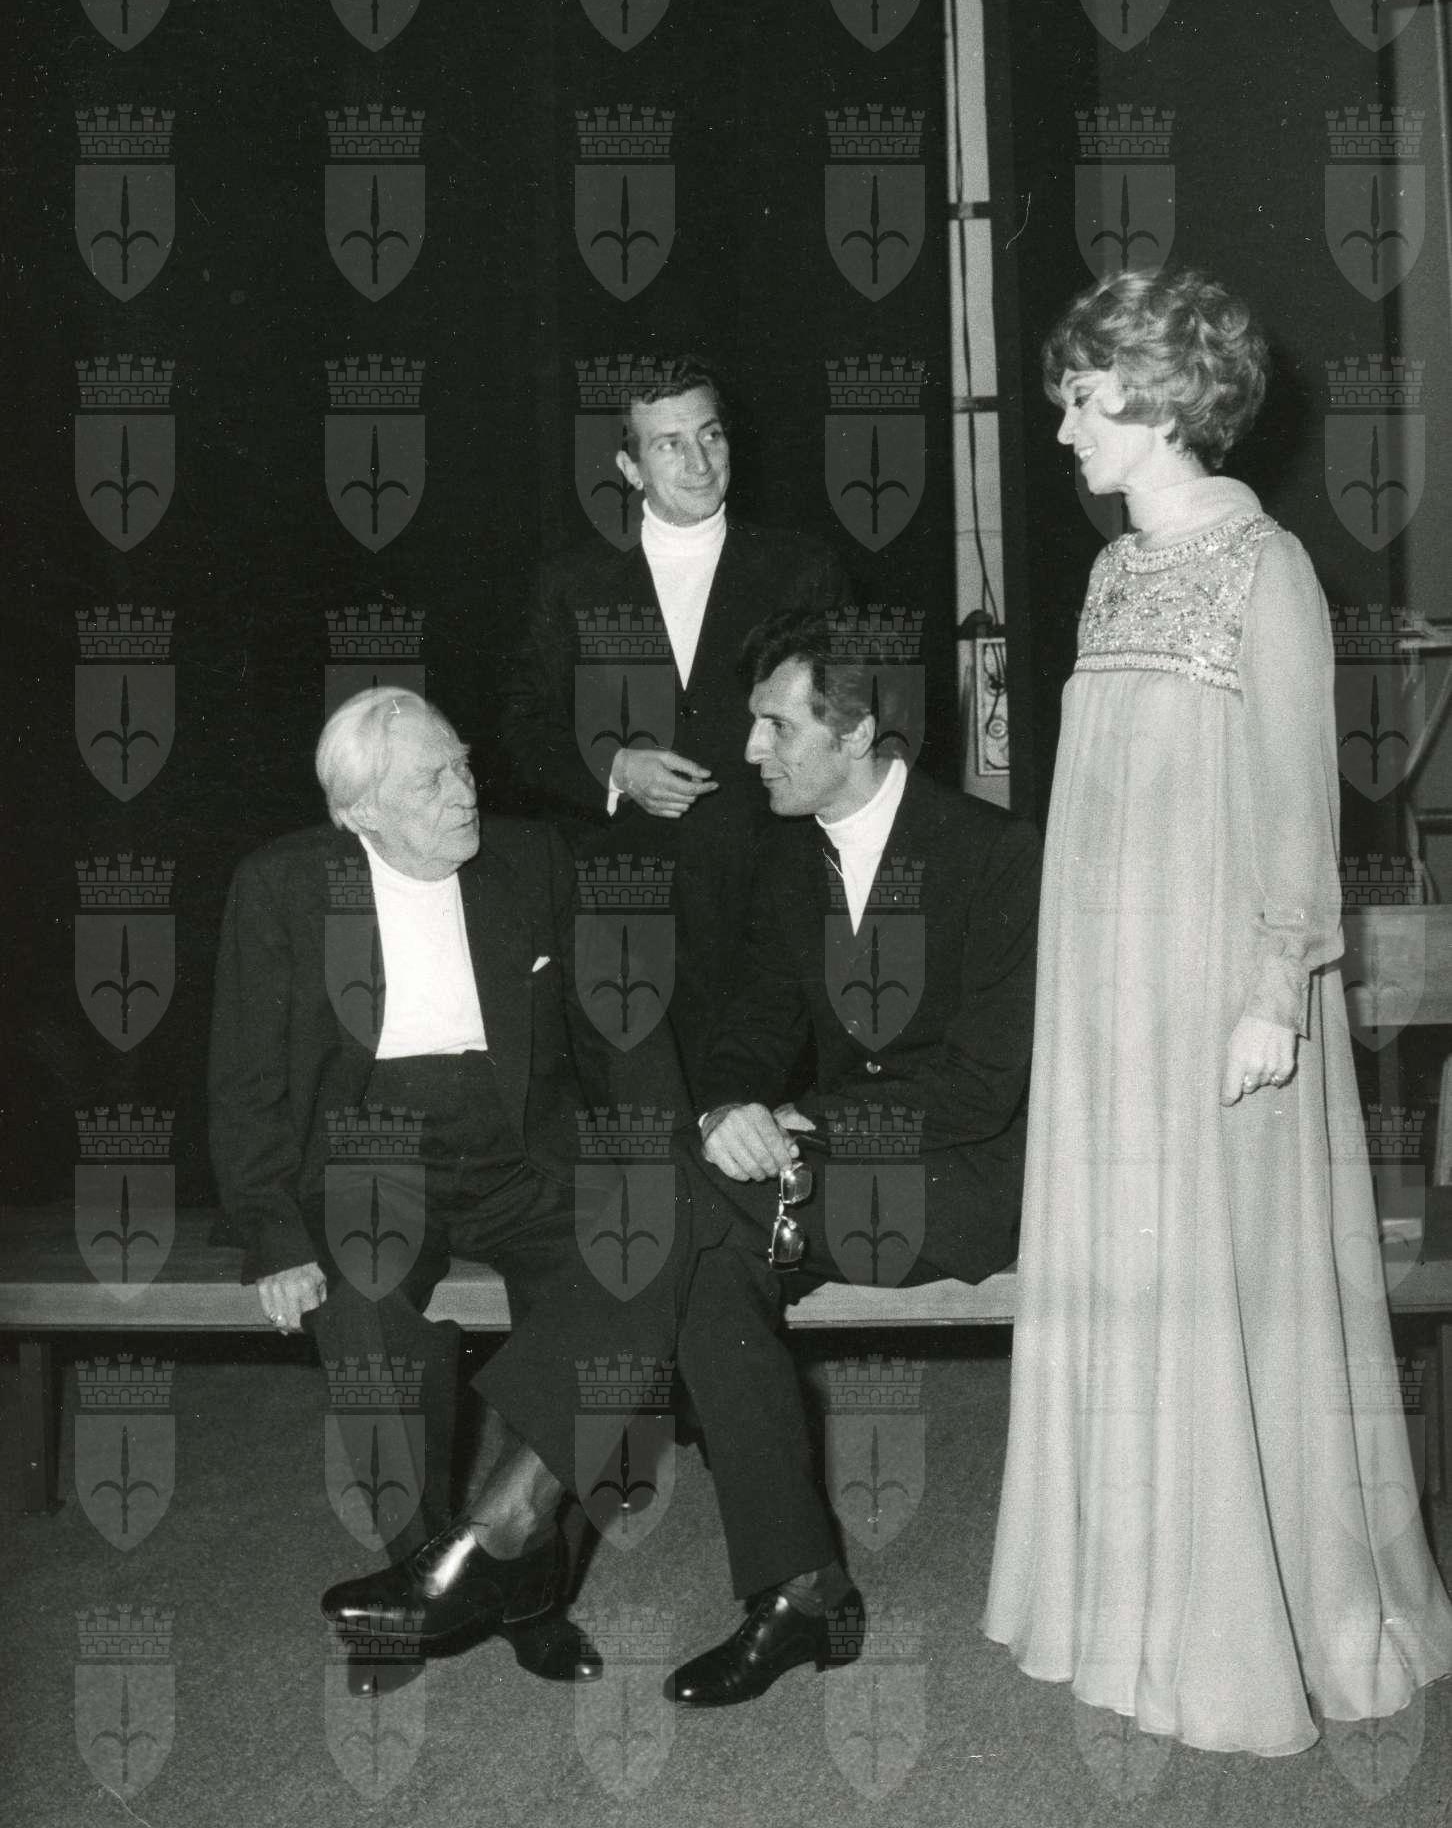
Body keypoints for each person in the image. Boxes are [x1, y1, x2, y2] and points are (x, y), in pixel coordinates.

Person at [981, 268, 1452, 1753]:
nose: (1066, 428)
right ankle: (1126, 1606)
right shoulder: (1115, 572)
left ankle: (1249, 1623)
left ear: (1160, 398)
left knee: (1220, 1284)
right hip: (1103, 996)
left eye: (1083, 398)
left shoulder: (1269, 566)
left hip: (1213, 995)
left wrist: (1272, 991)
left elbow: (1298, 799)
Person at [209, 687, 694, 1688]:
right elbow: (246, 1076)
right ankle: (419, 1579)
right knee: (367, 1314)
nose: (465, 790)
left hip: (526, 1149)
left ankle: (524, 1572)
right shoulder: (284, 884)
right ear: (361, 810)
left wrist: (665, 1159)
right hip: (369, 1153)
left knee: (622, 1277)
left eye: (463, 763)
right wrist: (273, 1232)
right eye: (431, 781)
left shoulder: (533, 858)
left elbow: (620, 1030)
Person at [661, 607, 1040, 1704]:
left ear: (860, 730)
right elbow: (749, 1025)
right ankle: (800, 1589)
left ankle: (512, 1526)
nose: (750, 750)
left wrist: (805, 1123)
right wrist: (728, 1105)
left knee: (684, 1220)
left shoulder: (994, 853)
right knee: (701, 1237)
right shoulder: (790, 857)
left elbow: (982, 1087)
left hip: (962, 1179)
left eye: (777, 726)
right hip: (825, 1174)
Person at [500, 357, 851, 1102]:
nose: (699, 462)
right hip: (624, 902)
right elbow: (524, 729)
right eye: (669, 444)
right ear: (630, 467)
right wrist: (616, 771)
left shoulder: (802, 568)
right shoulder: (571, 582)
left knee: (759, 1113)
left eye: (711, 435)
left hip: (769, 890)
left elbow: (846, 722)